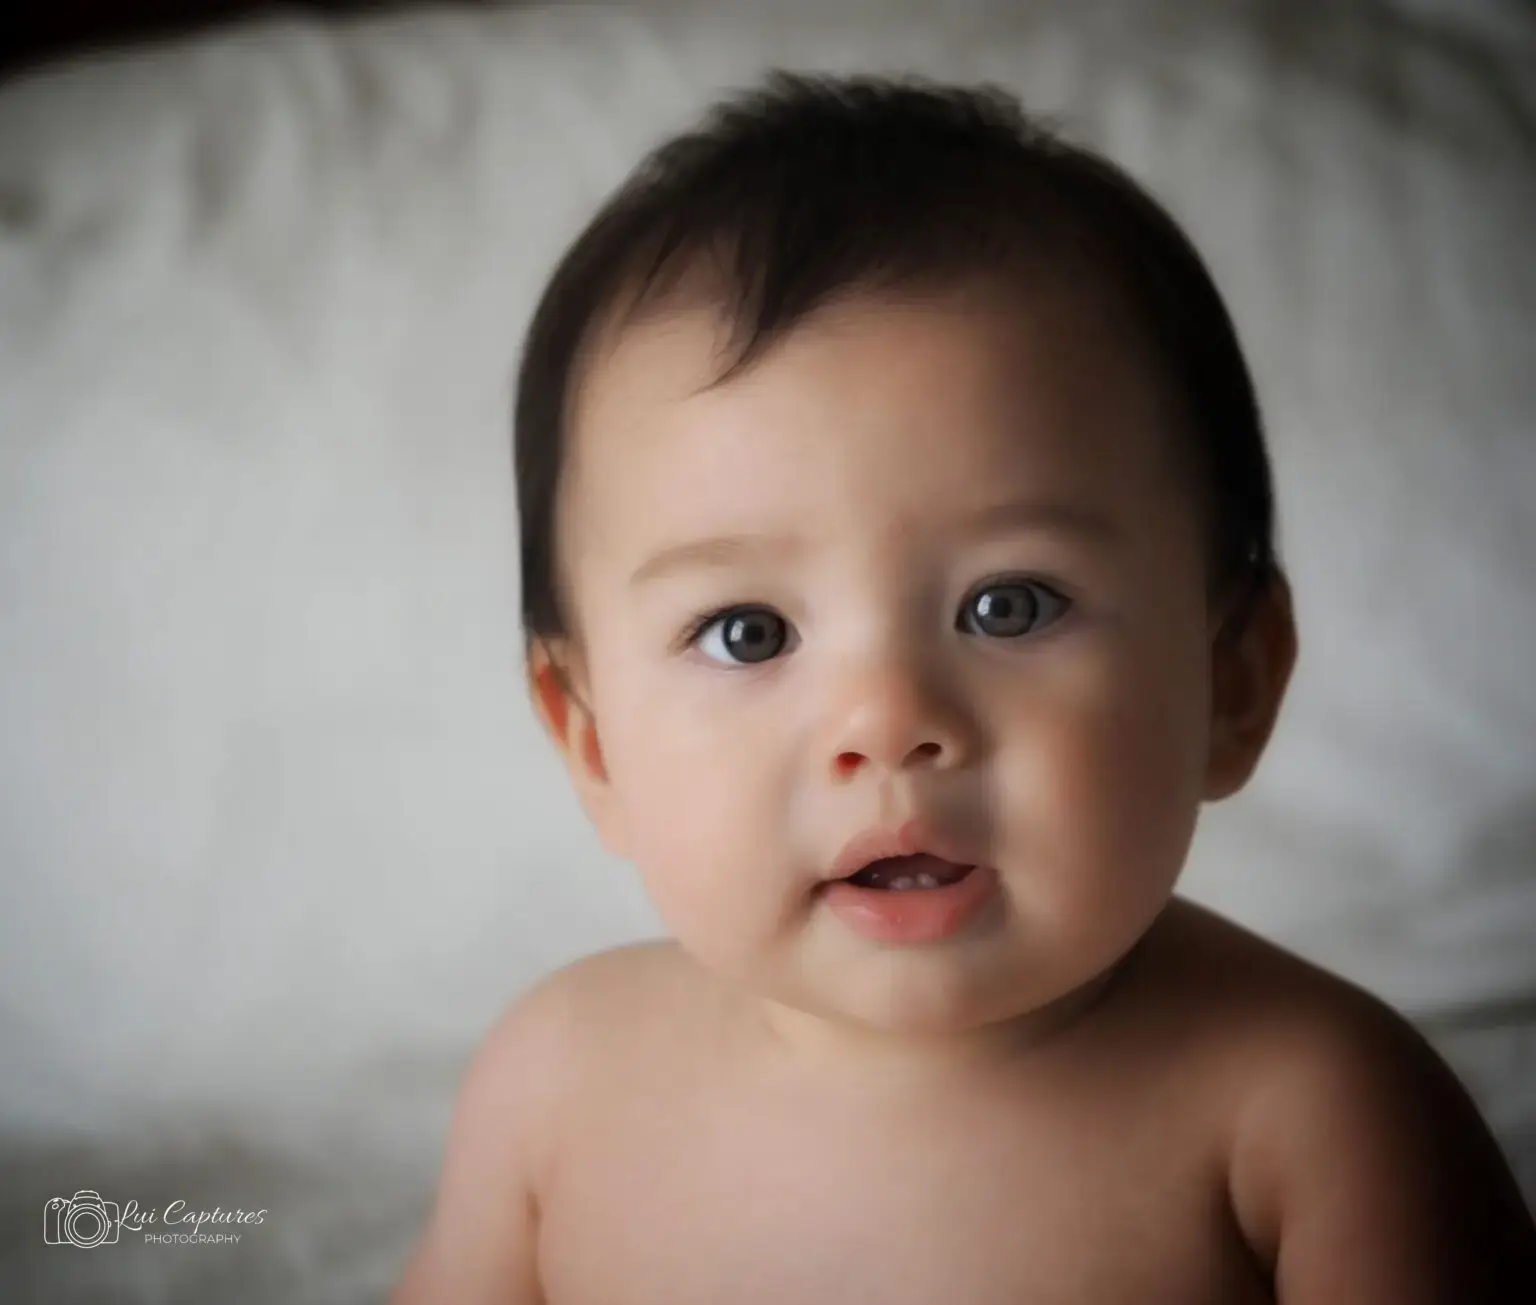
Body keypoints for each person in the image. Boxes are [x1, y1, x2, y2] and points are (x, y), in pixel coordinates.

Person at [392, 71, 1536, 1303]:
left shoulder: (1317, 1117)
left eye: (1010, 606)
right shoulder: (555, 1091)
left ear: (1232, 681)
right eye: (748, 631)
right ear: (594, 742)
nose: (888, 723)